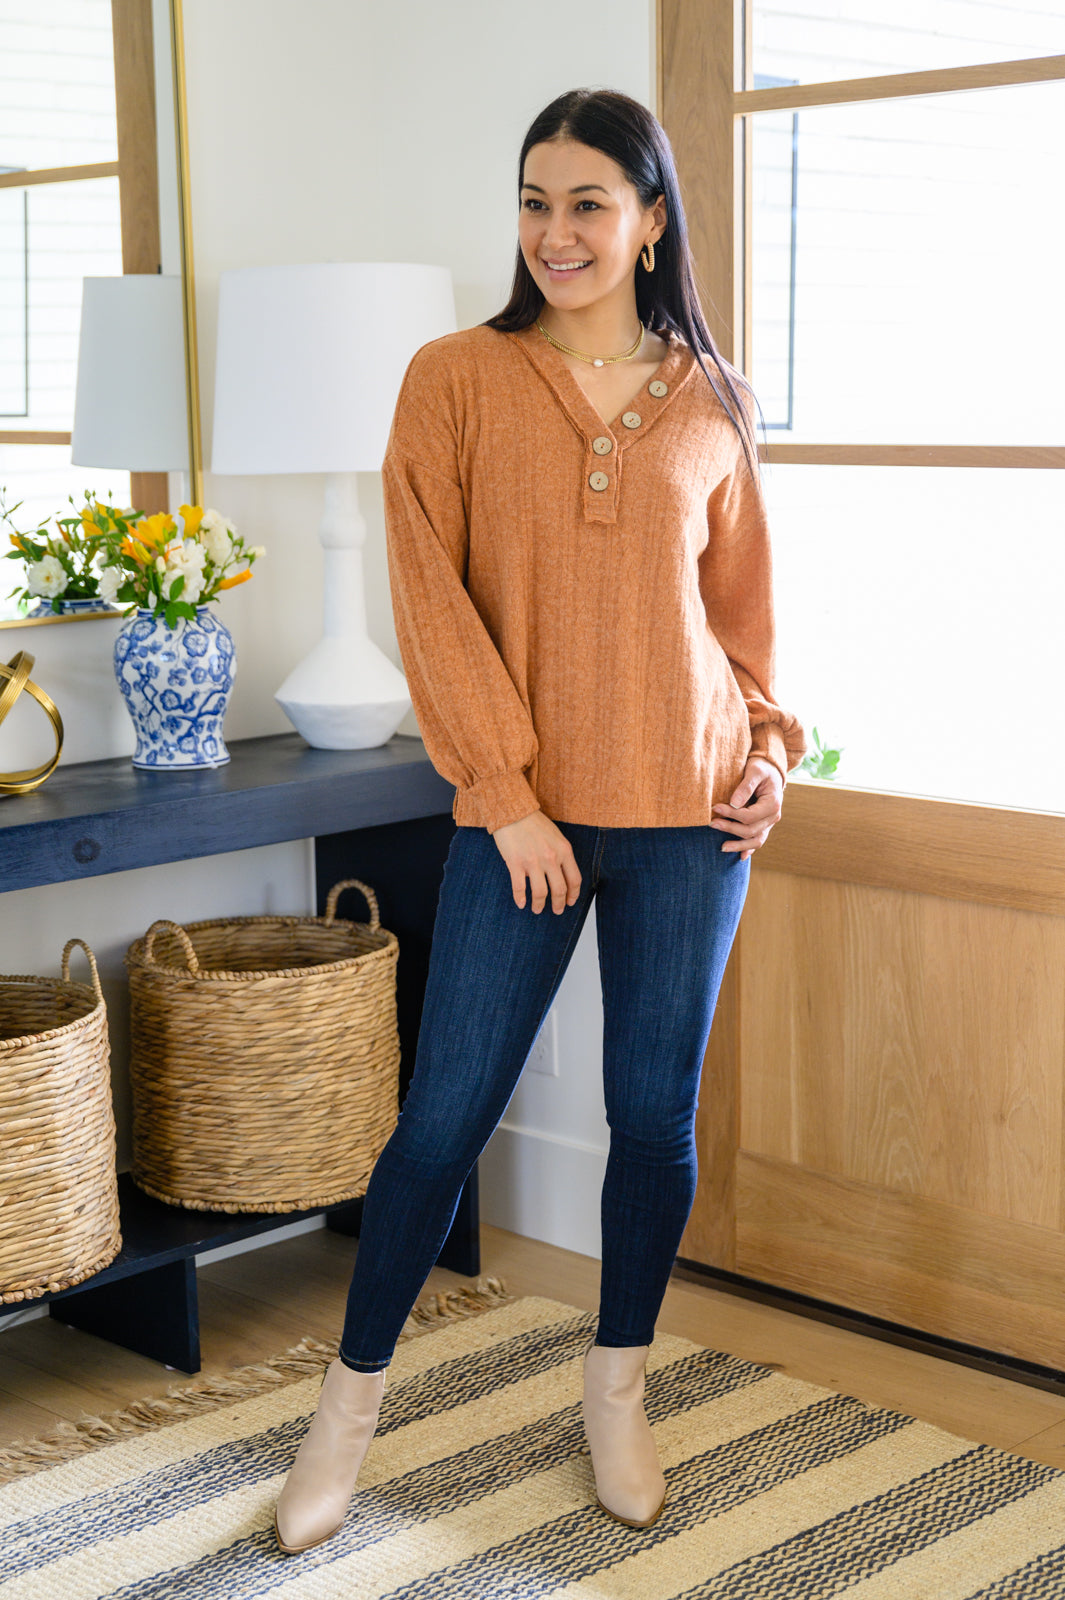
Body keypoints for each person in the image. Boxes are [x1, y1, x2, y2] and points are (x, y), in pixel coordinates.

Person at [273, 85, 807, 1556]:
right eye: (533, 202)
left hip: (693, 821)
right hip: (522, 827)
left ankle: (615, 1394)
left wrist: (769, 749)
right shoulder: (454, 378)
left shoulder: (715, 399)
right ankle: (344, 1419)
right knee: (440, 1121)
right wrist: (503, 800)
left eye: (586, 204)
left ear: (649, 223)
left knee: (651, 1120)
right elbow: (430, 599)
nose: (554, 232)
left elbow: (740, 619)